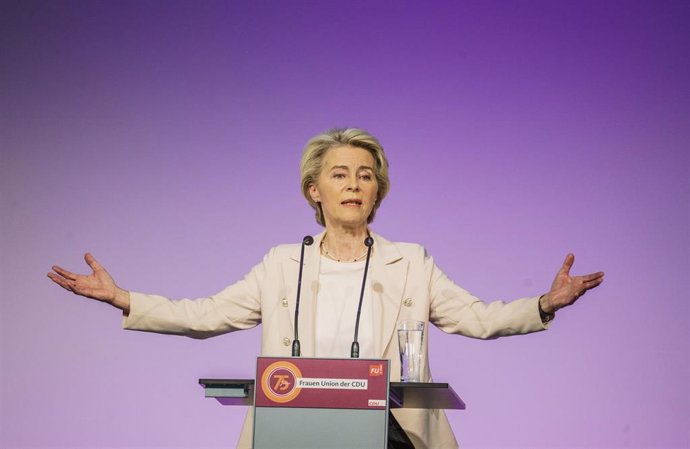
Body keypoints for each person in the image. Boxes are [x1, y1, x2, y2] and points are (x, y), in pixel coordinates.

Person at [48, 128, 604, 449]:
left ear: (377, 191)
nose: (354, 184)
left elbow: (476, 318)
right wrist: (124, 299)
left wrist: (543, 304)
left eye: (365, 174)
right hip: (297, 433)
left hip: (391, 434)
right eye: (340, 173)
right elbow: (208, 315)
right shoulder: (282, 263)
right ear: (315, 190)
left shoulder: (409, 262)